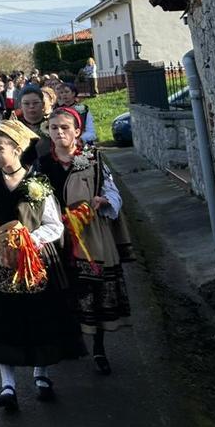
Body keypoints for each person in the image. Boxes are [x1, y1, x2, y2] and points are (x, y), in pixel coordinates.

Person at [0, 119, 86, 412]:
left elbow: (53, 225)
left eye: (0, 148)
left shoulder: (38, 183)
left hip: (35, 263)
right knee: (2, 322)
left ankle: (41, 375)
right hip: (2, 263)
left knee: (38, 318)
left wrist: (30, 240)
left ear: (18, 149)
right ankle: (7, 384)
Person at [37, 107, 132, 375]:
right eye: (54, 128)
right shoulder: (43, 163)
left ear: (77, 131)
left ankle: (99, 347)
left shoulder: (91, 160)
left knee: (95, 290)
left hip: (90, 234)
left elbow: (113, 194)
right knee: (63, 290)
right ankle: (70, 342)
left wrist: (104, 201)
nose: (58, 133)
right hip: (56, 237)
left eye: (65, 127)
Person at [15, 84, 52, 165]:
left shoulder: (52, 125)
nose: (31, 106)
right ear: (20, 105)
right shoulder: (14, 127)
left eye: (35, 103)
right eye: (26, 103)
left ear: (43, 104)